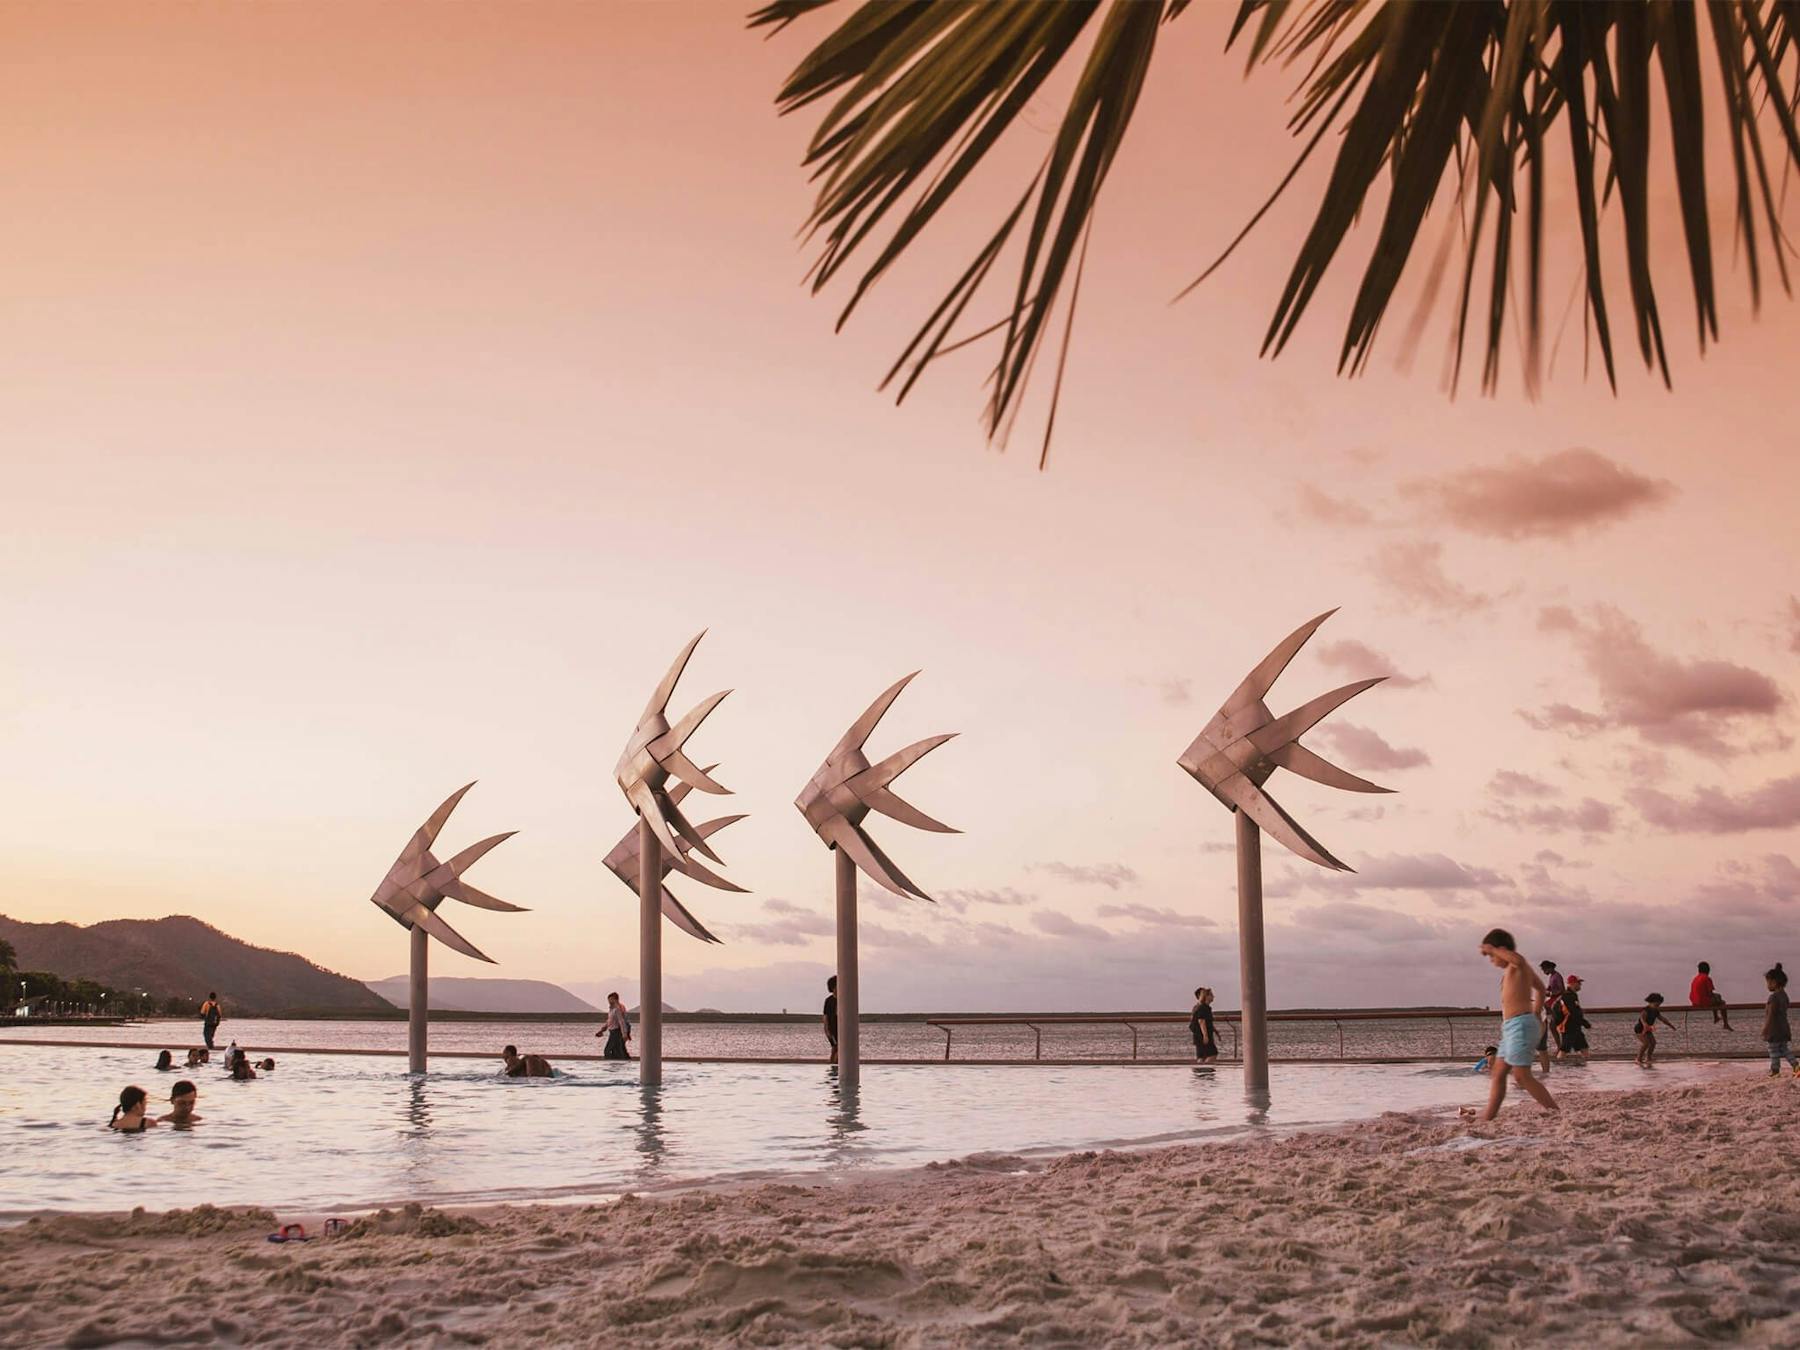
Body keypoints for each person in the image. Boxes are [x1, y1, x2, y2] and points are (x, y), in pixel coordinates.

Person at [1475, 928, 1558, 1121]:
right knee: (1498, 1073)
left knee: (1522, 1076)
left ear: (1502, 949)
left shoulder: (1518, 965)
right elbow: (1541, 989)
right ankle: (1488, 1116)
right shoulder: (1517, 971)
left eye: (1492, 955)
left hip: (1520, 1025)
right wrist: (1537, 1011)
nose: (1492, 960)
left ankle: (1554, 1111)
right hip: (1513, 1027)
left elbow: (1518, 960)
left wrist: (1492, 949)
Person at [1762, 963, 1798, 1079]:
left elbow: (1771, 1015)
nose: (1767, 985)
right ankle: (1796, 1065)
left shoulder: (1773, 997)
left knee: (1773, 1050)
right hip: (1784, 1028)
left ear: (1774, 982)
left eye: (1768, 982)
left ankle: (1775, 1070)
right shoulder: (1785, 996)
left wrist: (1765, 1029)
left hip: (1774, 1029)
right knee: (1784, 1049)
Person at [1556, 976, 1591, 1061]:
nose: (1580, 985)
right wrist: (1584, 1023)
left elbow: (1575, 1012)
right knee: (1564, 1049)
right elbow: (1573, 1012)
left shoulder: (1572, 995)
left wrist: (1582, 1022)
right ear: (1572, 983)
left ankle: (1585, 1068)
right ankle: (1559, 1066)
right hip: (1569, 1027)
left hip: (1575, 1026)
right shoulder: (1568, 996)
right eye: (1579, 983)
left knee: (1584, 1047)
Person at [1690, 961, 1733, 1032]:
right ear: (1708, 970)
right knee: (1721, 1002)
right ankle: (1725, 1023)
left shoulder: (1695, 978)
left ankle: (1716, 1017)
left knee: (1716, 999)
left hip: (1694, 1001)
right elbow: (1710, 993)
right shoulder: (1706, 978)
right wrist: (1718, 998)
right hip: (1702, 1001)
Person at [1538, 960, 1566, 1063]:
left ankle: (1560, 1047)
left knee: (1554, 1026)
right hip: (1553, 1000)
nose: (1543, 971)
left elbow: (1562, 990)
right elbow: (1549, 988)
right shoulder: (1552, 977)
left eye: (1544, 969)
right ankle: (1559, 1047)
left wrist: (1550, 994)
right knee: (1552, 1026)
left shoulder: (1557, 976)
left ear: (1549, 968)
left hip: (1558, 1000)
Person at [1635, 993, 1672, 1067]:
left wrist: (1670, 1025)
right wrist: (1645, 1025)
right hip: (1640, 1028)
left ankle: (1648, 1058)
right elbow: (1642, 1018)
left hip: (1648, 1029)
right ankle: (1638, 1059)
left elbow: (1662, 1019)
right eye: (1657, 1003)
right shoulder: (1646, 1009)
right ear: (1652, 1001)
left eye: (1660, 1003)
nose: (1659, 1005)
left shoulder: (1656, 1011)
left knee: (1653, 1043)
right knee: (1646, 1043)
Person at [597, 992, 632, 1060]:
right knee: (619, 1050)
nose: (609, 1001)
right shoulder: (611, 1009)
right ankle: (619, 1065)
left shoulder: (618, 1008)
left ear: (615, 999)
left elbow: (622, 1021)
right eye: (609, 1000)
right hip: (612, 1031)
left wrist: (625, 1034)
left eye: (611, 999)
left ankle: (616, 1064)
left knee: (609, 1050)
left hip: (617, 1031)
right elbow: (609, 1021)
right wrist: (602, 1030)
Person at [1189, 986, 1219, 1063]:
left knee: (1201, 1055)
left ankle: (1200, 1072)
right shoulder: (1203, 1008)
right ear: (1206, 996)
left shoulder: (1200, 1007)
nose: (1213, 997)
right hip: (1202, 1035)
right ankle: (1206, 1071)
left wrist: (1215, 1031)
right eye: (1211, 995)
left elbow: (1207, 1022)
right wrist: (1205, 1035)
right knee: (1213, 1054)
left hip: (1198, 1035)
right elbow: (1201, 1021)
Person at [823, 976, 839, 1065]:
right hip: (832, 1029)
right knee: (835, 1047)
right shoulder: (829, 1000)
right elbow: (825, 1017)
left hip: (841, 1029)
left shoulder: (844, 999)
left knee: (837, 1048)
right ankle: (833, 1066)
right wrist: (827, 1031)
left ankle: (834, 1066)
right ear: (833, 987)